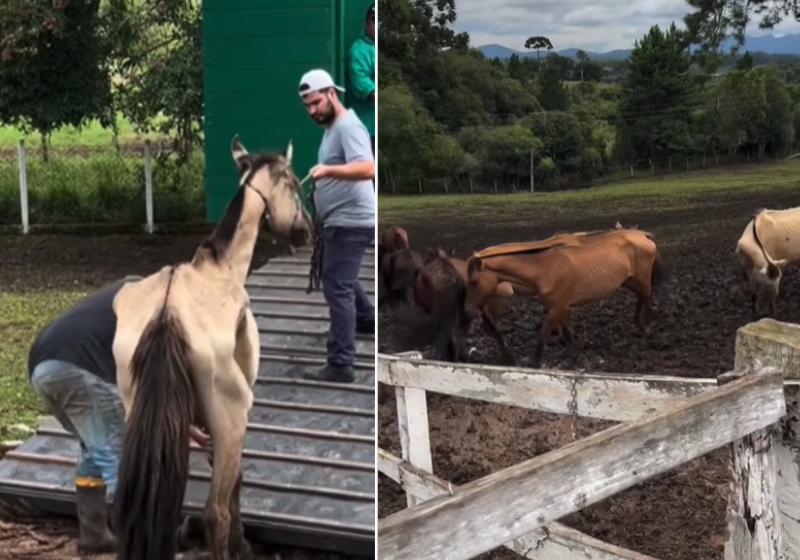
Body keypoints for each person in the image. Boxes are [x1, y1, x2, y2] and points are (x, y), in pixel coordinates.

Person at [27, 275, 211, 554]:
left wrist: (187, 427)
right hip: (82, 367)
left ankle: (94, 535)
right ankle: (140, 546)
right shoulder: (157, 309)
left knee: (94, 448)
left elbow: (141, 392)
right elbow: (153, 382)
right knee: (122, 458)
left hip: (44, 369)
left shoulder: (129, 292)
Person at [298, 68, 376, 383]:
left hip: (351, 220)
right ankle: (367, 320)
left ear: (332, 93)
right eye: (308, 107)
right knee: (340, 276)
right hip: (339, 220)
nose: (313, 111)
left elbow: (368, 168)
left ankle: (341, 363)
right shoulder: (333, 129)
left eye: (316, 102)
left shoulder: (347, 127)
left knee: (337, 285)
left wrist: (327, 173)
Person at [345, 3, 375, 157]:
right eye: (374, 20)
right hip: (365, 131)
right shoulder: (359, 51)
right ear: (366, 23)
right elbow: (362, 87)